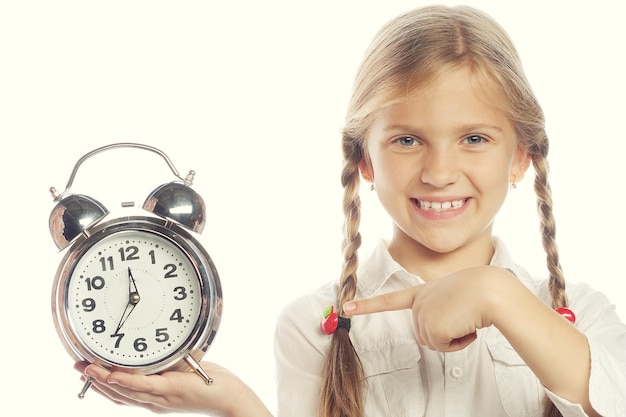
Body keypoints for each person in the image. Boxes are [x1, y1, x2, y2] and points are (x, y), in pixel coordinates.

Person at [77, 5, 626, 417]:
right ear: (364, 160)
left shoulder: (579, 313)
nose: (439, 172)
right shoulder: (313, 326)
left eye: (475, 138)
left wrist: (496, 294)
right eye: (408, 140)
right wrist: (237, 405)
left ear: (520, 158)